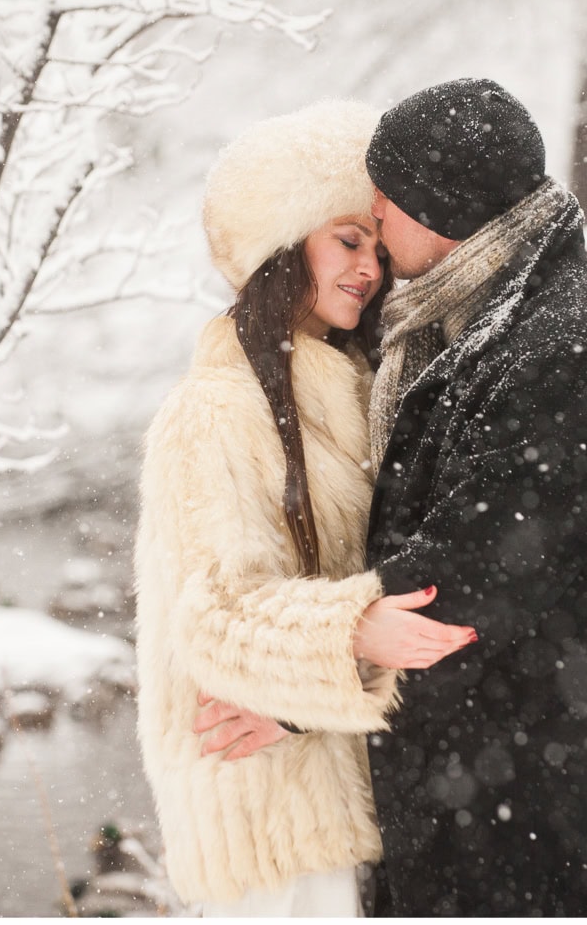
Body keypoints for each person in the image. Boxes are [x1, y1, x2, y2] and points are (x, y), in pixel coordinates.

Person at [135, 101, 475, 917]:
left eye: (375, 245)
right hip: (268, 817)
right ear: (282, 250)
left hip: (339, 783)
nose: (369, 268)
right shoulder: (216, 409)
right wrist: (353, 633)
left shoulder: (345, 390)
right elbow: (215, 613)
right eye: (345, 241)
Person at [361, 77, 587, 915]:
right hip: (486, 801)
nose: (373, 217)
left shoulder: (569, 349)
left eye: (386, 196)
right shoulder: (464, 320)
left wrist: (293, 679)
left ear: (442, 207)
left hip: (543, 826)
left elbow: (462, 583)